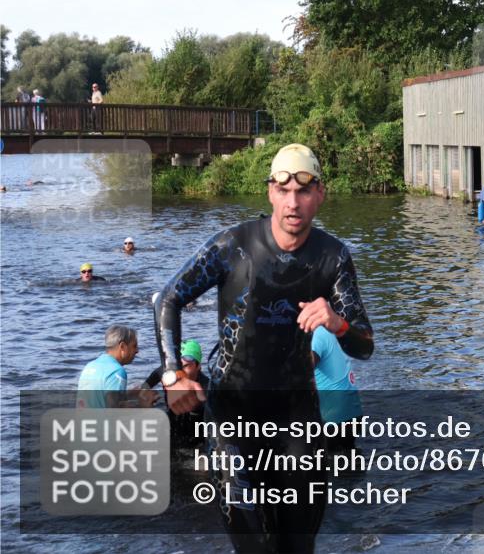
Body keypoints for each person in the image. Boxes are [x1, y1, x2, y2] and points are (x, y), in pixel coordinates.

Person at [154, 143, 374, 554]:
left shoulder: (333, 258)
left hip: (297, 418)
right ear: (270, 191)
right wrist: (172, 374)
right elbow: (168, 299)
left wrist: (337, 321)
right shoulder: (231, 247)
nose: (294, 203)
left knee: (297, 546)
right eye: (284, 190)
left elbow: (365, 345)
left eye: (304, 192)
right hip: (232, 418)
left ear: (320, 194)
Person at [141, 338, 209, 448]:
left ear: (198, 366)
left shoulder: (206, 387)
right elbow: (146, 386)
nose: (180, 371)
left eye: (186, 366)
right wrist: (143, 397)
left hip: (197, 436)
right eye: (178, 365)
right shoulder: (168, 373)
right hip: (172, 428)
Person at [77, 325, 157, 408]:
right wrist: (143, 406)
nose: (137, 351)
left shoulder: (90, 366)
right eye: (134, 346)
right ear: (122, 346)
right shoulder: (117, 372)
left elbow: (100, 398)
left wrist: (129, 394)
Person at [312, 325, 363, 454]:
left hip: (332, 420)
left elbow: (303, 370)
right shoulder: (332, 329)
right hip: (353, 414)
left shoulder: (314, 335)